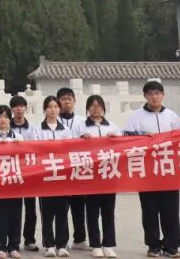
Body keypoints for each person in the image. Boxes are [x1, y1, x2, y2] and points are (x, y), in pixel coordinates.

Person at [123, 81, 180, 258]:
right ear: (145, 96)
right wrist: (143, 138)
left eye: (157, 93)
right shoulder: (136, 116)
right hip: (147, 170)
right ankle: (153, 245)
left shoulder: (172, 115)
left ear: (163, 95)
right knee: (149, 210)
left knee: (171, 209)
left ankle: (172, 245)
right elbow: (126, 137)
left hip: (169, 169)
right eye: (150, 94)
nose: (154, 97)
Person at [80, 96, 119, 259]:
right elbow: (72, 146)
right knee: (92, 211)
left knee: (108, 211)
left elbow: (123, 146)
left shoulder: (113, 126)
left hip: (109, 174)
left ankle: (108, 244)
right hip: (90, 175)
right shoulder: (80, 126)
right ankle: (95, 244)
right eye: (92, 105)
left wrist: (115, 139)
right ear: (88, 108)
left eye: (98, 105)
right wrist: (82, 140)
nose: (95, 108)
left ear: (103, 107)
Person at [35, 96, 73, 258]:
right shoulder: (38, 129)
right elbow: (35, 150)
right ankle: (49, 245)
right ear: (45, 109)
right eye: (49, 107)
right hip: (45, 177)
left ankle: (62, 244)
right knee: (47, 213)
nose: (52, 110)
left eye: (55, 107)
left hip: (62, 177)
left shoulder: (65, 130)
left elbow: (70, 150)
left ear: (59, 109)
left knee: (62, 213)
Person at [0, 105, 22, 259]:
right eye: (0, 116)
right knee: (0, 215)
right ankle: (1, 246)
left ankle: (14, 246)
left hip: (15, 181)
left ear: (10, 119)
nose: (3, 120)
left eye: (6, 117)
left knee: (16, 214)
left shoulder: (18, 137)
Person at [56, 88, 88, 252]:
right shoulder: (52, 121)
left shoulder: (82, 121)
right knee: (62, 208)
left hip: (78, 169)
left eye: (69, 98)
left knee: (78, 206)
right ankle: (62, 240)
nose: (66, 102)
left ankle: (80, 238)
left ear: (74, 101)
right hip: (60, 169)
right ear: (57, 102)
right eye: (63, 99)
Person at [8, 96, 38, 253]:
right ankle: (14, 241)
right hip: (12, 171)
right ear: (11, 109)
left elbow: (36, 148)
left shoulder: (33, 128)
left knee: (31, 209)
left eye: (21, 106)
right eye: (16, 106)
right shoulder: (6, 127)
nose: (19, 109)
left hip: (30, 173)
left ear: (25, 108)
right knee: (15, 208)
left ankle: (29, 240)